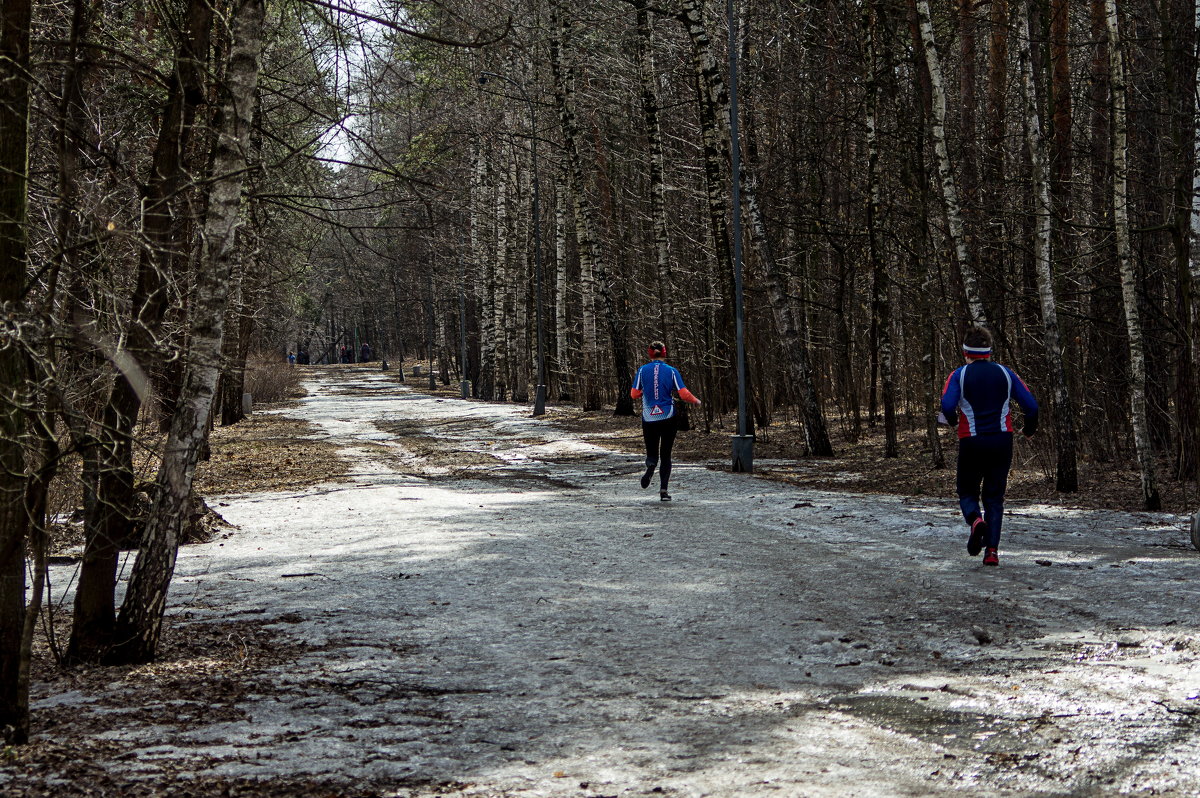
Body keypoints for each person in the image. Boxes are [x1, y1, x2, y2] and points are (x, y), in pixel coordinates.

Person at [939, 326, 1038, 566]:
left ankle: (975, 521)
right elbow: (1032, 406)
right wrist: (1029, 429)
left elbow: (947, 404)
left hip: (971, 441)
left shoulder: (959, 375)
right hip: (1001, 441)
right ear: (989, 351)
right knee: (994, 498)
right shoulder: (1006, 373)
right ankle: (992, 552)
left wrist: (952, 421)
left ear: (966, 352)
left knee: (966, 491)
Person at [630, 341, 701, 502]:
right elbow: (683, 394)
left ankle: (650, 466)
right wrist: (696, 401)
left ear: (649, 353)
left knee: (652, 452)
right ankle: (663, 491)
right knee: (666, 454)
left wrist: (643, 393)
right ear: (664, 352)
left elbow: (633, 394)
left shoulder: (642, 370)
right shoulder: (672, 371)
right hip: (668, 417)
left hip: (649, 417)